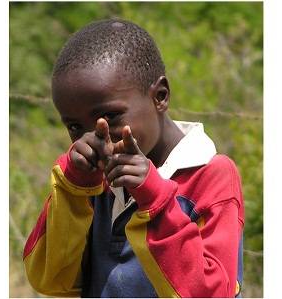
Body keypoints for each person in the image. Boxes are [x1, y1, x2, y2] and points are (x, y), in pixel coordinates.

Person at [22, 19, 244, 298]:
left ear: (160, 96)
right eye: (75, 127)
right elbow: (49, 278)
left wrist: (154, 198)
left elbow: (212, 294)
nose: (95, 137)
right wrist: (74, 188)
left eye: (110, 117)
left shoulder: (211, 176)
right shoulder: (89, 181)